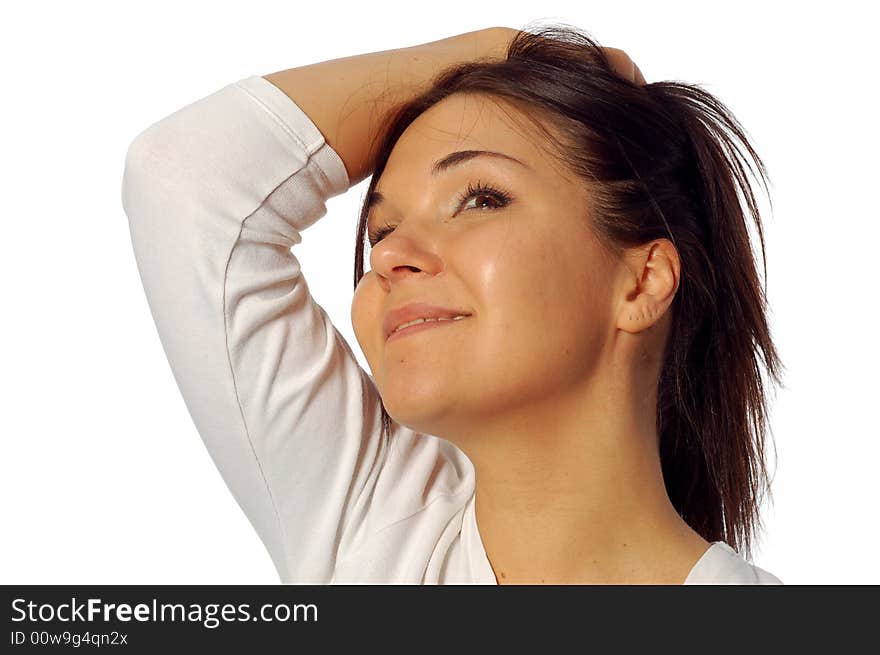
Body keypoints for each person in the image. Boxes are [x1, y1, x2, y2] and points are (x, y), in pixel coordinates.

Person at [121, 24, 784, 584]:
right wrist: (502, 50)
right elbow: (185, 181)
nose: (387, 255)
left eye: (480, 198)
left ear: (640, 284)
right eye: (381, 230)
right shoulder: (380, 531)